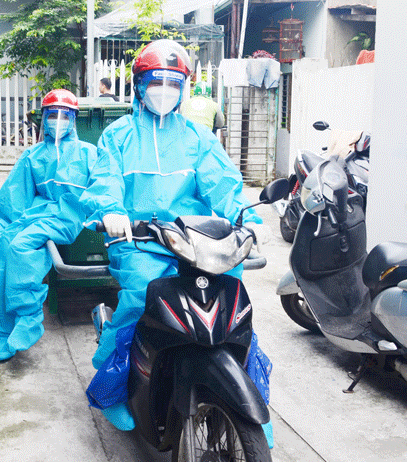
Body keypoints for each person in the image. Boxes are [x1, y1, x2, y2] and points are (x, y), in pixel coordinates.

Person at [80, 39, 271, 441]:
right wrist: (110, 211)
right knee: (139, 297)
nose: (163, 90)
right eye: (155, 81)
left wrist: (248, 219)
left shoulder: (198, 138)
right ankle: (113, 387)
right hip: (138, 240)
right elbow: (104, 181)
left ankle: (252, 398)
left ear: (184, 88)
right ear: (138, 86)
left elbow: (225, 187)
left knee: (234, 304)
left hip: (195, 243)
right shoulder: (118, 136)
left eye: (173, 82)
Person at [0, 89, 97, 362]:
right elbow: (15, 196)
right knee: (4, 251)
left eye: (64, 115)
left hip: (67, 216)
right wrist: (0, 233)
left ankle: (28, 316)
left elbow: (104, 187)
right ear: (43, 118)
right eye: (52, 114)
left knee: (21, 246)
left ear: (73, 119)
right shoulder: (33, 155)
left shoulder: (88, 153)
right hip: (39, 214)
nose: (57, 120)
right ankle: (2, 331)